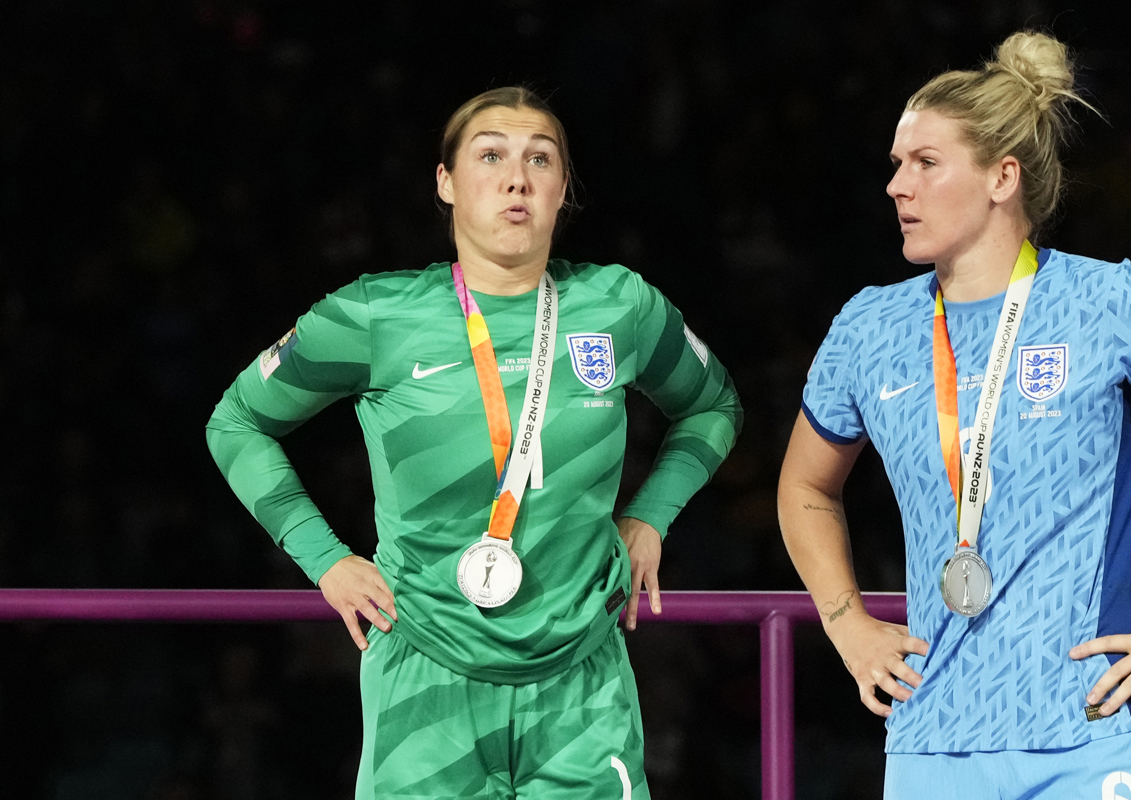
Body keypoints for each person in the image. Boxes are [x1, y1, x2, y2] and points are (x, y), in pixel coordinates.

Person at [777, 31, 1131, 800]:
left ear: (1003, 177)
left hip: (1095, 731)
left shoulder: (1115, 304)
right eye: (898, 163)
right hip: (931, 734)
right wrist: (845, 622)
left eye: (925, 164)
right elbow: (804, 486)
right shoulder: (868, 328)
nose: (897, 185)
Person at [207, 86, 741, 799]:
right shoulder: (376, 314)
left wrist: (650, 516)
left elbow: (715, 408)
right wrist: (324, 557)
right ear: (447, 183)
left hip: (581, 684)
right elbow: (236, 421)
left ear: (562, 191)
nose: (516, 177)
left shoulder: (620, 305)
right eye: (490, 155)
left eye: (540, 159)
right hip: (424, 676)